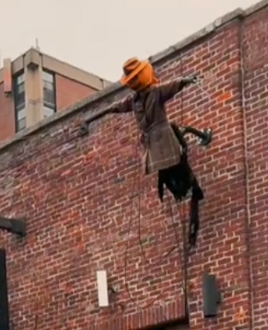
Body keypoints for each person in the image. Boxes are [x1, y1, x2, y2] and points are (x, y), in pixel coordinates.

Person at [81, 58, 213, 248]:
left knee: (167, 172)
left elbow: (112, 108)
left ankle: (181, 192)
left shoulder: (133, 101)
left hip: (152, 148)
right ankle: (193, 189)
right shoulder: (156, 92)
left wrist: (89, 120)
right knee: (180, 160)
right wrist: (189, 79)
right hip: (166, 142)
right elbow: (175, 84)